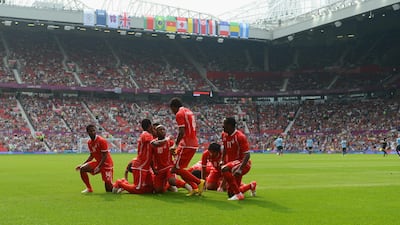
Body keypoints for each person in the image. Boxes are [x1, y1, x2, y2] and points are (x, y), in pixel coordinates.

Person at [169, 97, 205, 196]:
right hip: (193, 143)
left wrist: (175, 145)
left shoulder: (179, 114)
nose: (172, 112)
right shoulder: (189, 111)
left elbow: (181, 131)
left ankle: (198, 182)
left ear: (173, 107)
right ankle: (195, 188)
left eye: (171, 109)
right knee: (181, 169)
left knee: (175, 169)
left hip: (186, 144)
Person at [113, 119, 154, 194]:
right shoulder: (146, 135)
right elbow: (154, 143)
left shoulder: (146, 135)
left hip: (145, 166)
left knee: (151, 188)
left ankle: (124, 183)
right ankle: (120, 183)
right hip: (140, 166)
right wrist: (165, 141)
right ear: (149, 126)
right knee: (138, 189)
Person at [220, 117, 256, 200]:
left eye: (224, 124)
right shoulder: (223, 135)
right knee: (230, 194)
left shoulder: (240, 137)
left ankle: (239, 194)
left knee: (224, 169)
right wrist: (222, 160)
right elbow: (225, 148)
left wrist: (240, 169)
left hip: (243, 163)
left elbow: (247, 155)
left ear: (230, 125)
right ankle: (251, 185)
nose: (222, 126)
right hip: (233, 164)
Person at [151, 124, 192, 193]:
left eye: (163, 129)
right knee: (158, 190)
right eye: (160, 130)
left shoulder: (170, 142)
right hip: (159, 169)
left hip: (169, 167)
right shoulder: (153, 143)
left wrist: (176, 161)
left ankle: (186, 186)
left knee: (172, 180)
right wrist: (153, 169)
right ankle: (169, 186)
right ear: (156, 132)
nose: (162, 131)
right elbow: (151, 158)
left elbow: (175, 153)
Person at [75, 124, 114, 193]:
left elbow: (105, 155)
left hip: (107, 165)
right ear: (88, 132)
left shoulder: (101, 140)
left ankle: (120, 184)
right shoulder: (89, 142)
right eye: (90, 131)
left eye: (94, 130)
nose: (92, 132)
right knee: (83, 169)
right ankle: (89, 188)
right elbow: (92, 155)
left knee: (109, 190)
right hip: (99, 163)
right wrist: (82, 164)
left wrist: (99, 167)